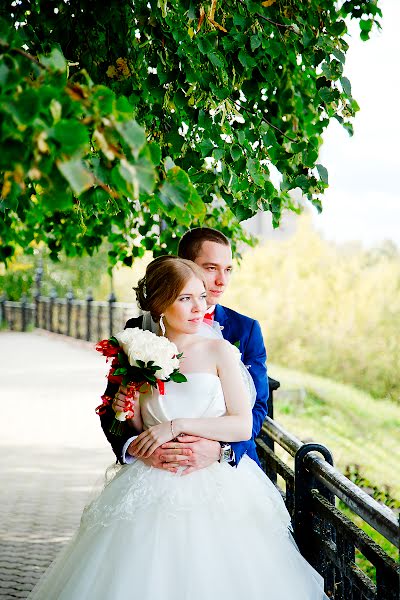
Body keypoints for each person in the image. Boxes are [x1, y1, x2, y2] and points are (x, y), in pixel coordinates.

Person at [28, 257, 328, 600]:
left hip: (214, 480)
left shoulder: (221, 351)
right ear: (160, 304)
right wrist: (124, 410)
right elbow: (143, 425)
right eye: (186, 298)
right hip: (151, 478)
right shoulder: (139, 353)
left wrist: (177, 426)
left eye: (200, 296)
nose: (199, 306)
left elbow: (243, 424)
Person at [101, 227, 269, 474]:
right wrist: (138, 448)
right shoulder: (138, 335)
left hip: (224, 467)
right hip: (154, 468)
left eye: (228, 269)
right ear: (186, 265)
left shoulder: (245, 330)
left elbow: (256, 409)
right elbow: (115, 408)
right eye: (211, 268)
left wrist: (220, 450)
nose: (222, 280)